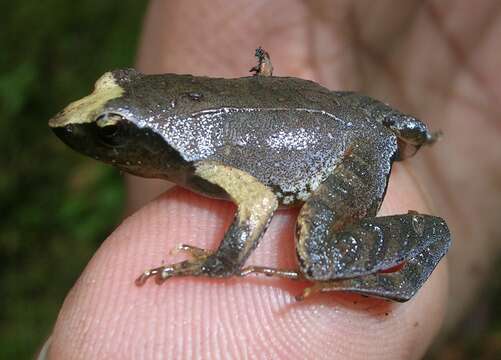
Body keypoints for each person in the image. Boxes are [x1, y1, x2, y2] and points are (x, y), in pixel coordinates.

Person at [45, 1, 501, 358]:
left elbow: (258, 201)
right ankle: (412, 139)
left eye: (112, 132)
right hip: (352, 115)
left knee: (318, 258)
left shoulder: (205, 162)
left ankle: (425, 245)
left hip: (342, 152)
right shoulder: (189, 137)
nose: (75, 125)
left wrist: (220, 263)